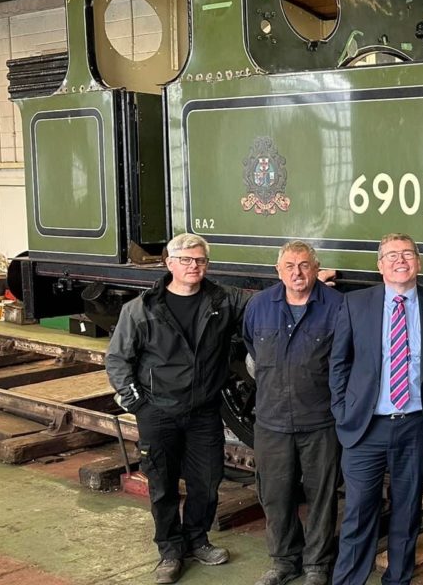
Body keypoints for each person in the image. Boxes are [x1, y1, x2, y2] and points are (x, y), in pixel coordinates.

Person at [106, 233, 249, 584]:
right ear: (169, 264)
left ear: (207, 264)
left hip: (203, 411)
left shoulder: (223, 300)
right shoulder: (141, 309)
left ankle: (197, 540)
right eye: (185, 260)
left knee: (207, 481)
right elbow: (117, 359)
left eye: (200, 260)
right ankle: (170, 550)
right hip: (158, 411)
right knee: (163, 483)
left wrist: (307, 282)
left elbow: (266, 304)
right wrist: (138, 403)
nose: (193, 266)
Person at [329, 233, 423, 585]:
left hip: (415, 426)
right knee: (359, 514)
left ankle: (398, 579)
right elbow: (339, 362)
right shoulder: (354, 303)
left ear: (418, 262)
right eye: (391, 255)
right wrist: (344, 410)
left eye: (407, 254)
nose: (400, 260)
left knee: (407, 513)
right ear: (379, 265)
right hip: (365, 428)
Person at [244, 241, 346, 585]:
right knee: (275, 494)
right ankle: (283, 560)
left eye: (304, 265)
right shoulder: (259, 306)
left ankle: (317, 564)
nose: (297, 273)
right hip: (271, 421)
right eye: (289, 266)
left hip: (320, 421)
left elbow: (348, 359)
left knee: (322, 495)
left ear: (316, 269)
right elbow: (251, 348)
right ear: (278, 270)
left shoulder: (336, 306)